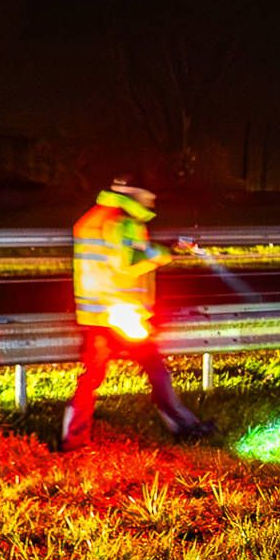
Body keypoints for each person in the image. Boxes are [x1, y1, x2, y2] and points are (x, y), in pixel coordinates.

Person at [60, 175, 213, 450]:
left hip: (95, 313)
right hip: (123, 316)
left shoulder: (93, 218)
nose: (152, 199)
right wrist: (163, 252)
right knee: (156, 371)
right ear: (135, 193)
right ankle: (186, 428)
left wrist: (162, 244)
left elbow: (114, 257)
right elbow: (127, 264)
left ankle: (73, 440)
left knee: (91, 378)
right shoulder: (124, 222)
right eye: (148, 194)